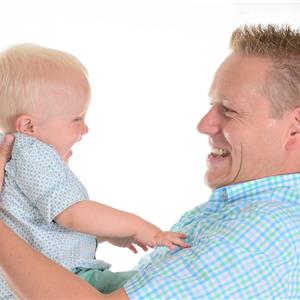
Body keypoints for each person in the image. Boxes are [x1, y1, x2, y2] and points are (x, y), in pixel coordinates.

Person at [1, 23, 300, 299]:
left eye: (230, 110)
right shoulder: (241, 216)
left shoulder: (258, 233)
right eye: (212, 105)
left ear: (294, 128)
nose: (204, 123)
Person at [0, 44, 188, 299]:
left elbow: (43, 228)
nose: (85, 129)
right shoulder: (32, 151)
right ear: (29, 125)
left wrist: (104, 234)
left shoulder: (18, 153)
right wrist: (138, 227)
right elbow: (72, 214)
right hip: (62, 277)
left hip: (43, 276)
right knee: (163, 285)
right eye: (77, 119)